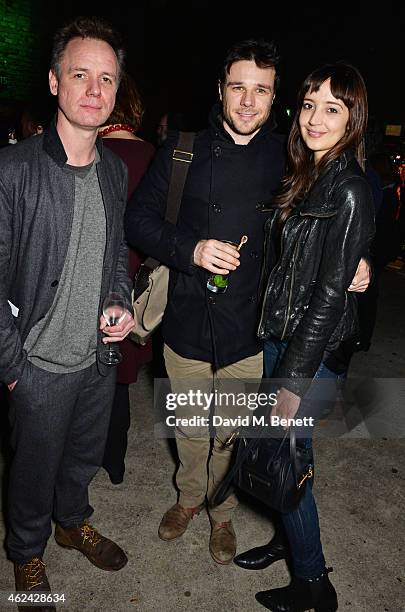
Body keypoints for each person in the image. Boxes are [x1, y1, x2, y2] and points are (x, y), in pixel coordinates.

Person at [124, 40, 370, 566]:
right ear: (221, 90)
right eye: (238, 87)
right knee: (189, 427)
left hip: (250, 327)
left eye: (261, 90)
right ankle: (188, 498)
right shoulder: (182, 149)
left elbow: (325, 220)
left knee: (231, 433)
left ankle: (222, 509)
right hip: (188, 317)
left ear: (275, 97)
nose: (248, 101)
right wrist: (190, 248)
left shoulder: (290, 155)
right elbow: (138, 222)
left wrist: (357, 259)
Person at [0, 16, 135, 608]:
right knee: (31, 472)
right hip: (36, 365)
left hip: (96, 361)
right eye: (80, 74)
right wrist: (12, 366)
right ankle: (27, 554)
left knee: (80, 458)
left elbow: (114, 261)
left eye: (106, 78)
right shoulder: (14, 170)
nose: (94, 88)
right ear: (55, 82)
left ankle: (71, 522)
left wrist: (119, 304)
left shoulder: (113, 169)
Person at [234, 64, 375, 612]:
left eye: (333, 108)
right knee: (284, 459)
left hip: (309, 351)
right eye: (310, 104)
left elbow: (327, 297)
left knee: (289, 459)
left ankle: (314, 584)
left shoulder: (350, 189)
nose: (316, 118)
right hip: (284, 337)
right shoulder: (305, 174)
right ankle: (288, 539)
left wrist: (294, 380)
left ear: (353, 119)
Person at [99, 71, 155, 484]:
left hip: (95, 275)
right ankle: (115, 463)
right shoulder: (156, 156)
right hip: (140, 281)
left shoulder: (87, 152)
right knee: (118, 379)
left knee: (84, 377)